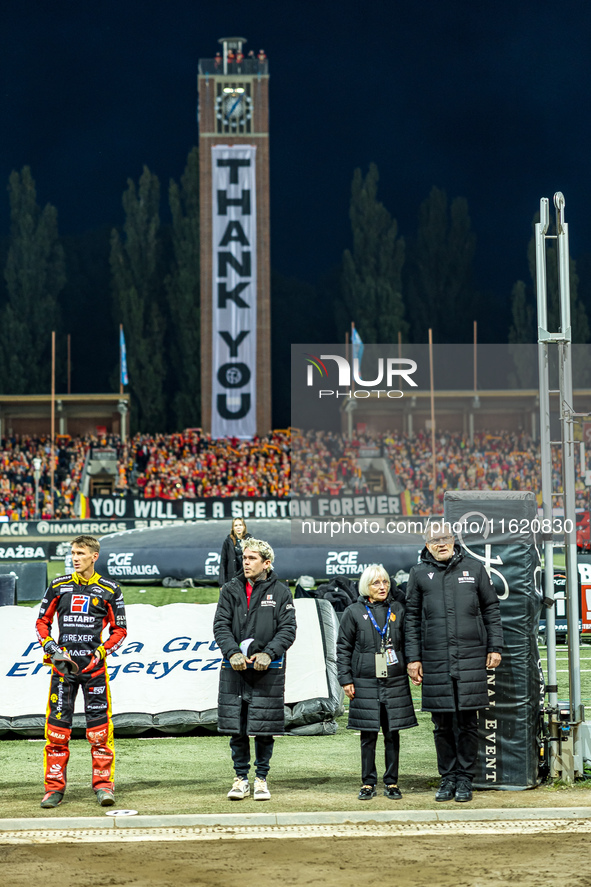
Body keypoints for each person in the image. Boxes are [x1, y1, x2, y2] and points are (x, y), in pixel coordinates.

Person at [405, 521, 503, 802]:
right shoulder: (419, 573)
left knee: (468, 722)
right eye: (434, 540)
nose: (441, 543)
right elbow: (411, 620)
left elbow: (491, 608)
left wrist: (495, 646)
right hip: (435, 661)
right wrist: (413, 658)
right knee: (442, 725)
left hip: (471, 657)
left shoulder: (473, 568)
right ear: (427, 545)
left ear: (454, 539)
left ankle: (465, 780)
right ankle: (447, 779)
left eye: (445, 537)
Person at [35, 535, 127, 809]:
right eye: (72, 553)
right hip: (63, 670)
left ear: (94, 556)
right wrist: (50, 647)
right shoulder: (58, 586)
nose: (74, 557)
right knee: (56, 733)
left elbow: (120, 630)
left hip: (95, 671)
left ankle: (103, 786)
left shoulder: (110, 589)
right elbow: (42, 622)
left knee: (99, 731)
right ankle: (54, 789)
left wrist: (101, 652)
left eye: (80, 553)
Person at [213, 538, 296, 801]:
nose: (245, 562)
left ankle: (261, 779)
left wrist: (269, 653)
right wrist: (232, 652)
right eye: (244, 558)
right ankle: (240, 778)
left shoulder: (282, 592)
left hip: (267, 670)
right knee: (236, 728)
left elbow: (288, 629)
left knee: (264, 727)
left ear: (266, 563)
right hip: (234, 669)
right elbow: (220, 626)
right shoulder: (230, 588)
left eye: (251, 558)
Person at [337, 564, 417, 801]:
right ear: (366, 586)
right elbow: (343, 648)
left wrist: (412, 666)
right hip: (364, 682)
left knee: (393, 733)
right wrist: (345, 679)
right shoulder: (353, 612)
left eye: (385, 582)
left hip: (395, 681)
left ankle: (392, 782)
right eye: (376, 583)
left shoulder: (399, 609)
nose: (382, 587)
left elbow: (410, 641)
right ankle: (368, 782)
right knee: (368, 735)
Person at [219, 517, 252, 588]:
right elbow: (223, 563)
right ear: (233, 528)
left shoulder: (250, 540)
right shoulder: (228, 541)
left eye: (240, 525)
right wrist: (222, 583)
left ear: (244, 526)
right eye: (236, 525)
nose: (238, 527)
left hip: (246, 576)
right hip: (232, 576)